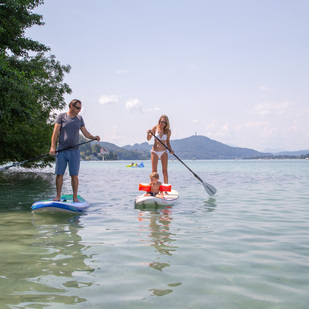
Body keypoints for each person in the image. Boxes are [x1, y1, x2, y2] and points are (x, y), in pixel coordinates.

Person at [49, 99, 100, 202]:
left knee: (74, 175)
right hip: (62, 150)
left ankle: (75, 197)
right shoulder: (61, 117)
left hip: (75, 151)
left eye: (80, 108)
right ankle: (58, 196)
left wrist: (93, 137)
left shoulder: (79, 119)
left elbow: (85, 133)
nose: (79, 110)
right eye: (77, 108)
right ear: (71, 106)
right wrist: (52, 147)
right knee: (59, 174)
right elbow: (55, 132)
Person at [147, 115, 174, 184]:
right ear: (159, 121)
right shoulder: (155, 128)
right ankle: (154, 188)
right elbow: (148, 138)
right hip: (154, 151)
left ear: (166, 124)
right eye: (162, 121)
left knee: (164, 171)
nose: (162, 123)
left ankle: (165, 189)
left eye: (165, 122)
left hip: (163, 151)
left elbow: (167, 142)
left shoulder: (168, 131)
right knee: (154, 171)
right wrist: (148, 133)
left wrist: (170, 149)